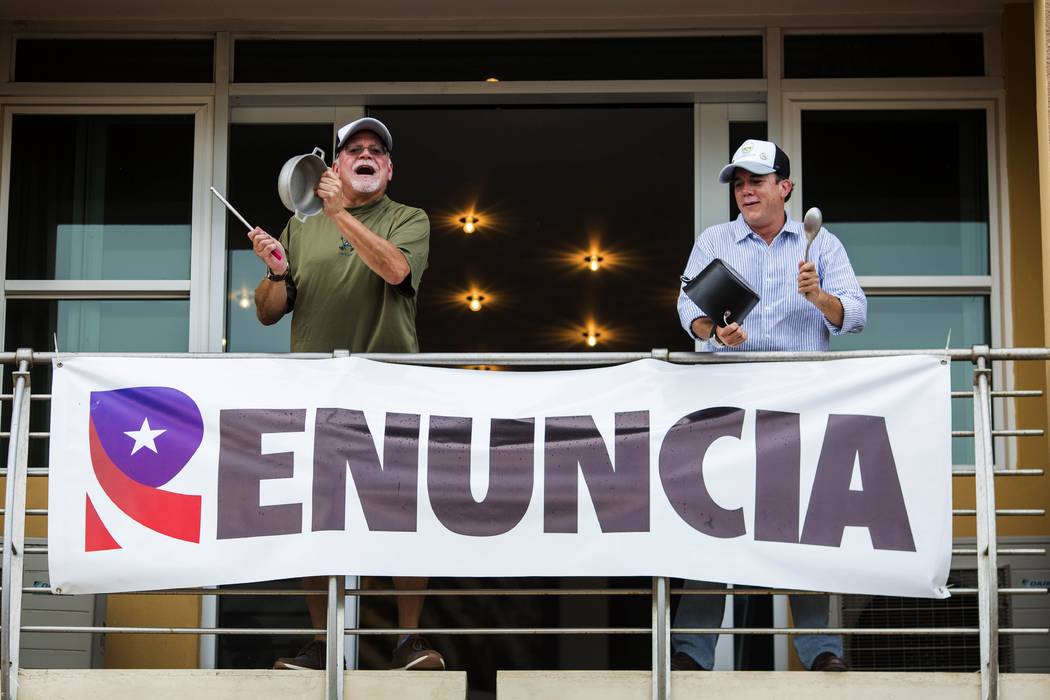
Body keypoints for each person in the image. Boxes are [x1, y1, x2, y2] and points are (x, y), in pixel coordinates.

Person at [249, 117, 442, 672]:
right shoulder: (300, 224)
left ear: (388, 169)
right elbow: (266, 312)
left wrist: (336, 213)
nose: (365, 154)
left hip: (391, 388)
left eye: (375, 151)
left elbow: (395, 269)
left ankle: (408, 640)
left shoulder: (409, 218)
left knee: (402, 512)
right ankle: (324, 640)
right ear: (334, 166)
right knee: (319, 515)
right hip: (318, 393)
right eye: (353, 149)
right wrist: (277, 273)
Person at [673, 138, 867, 673]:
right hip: (727, 406)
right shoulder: (715, 239)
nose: (745, 191)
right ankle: (691, 655)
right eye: (738, 183)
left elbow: (854, 312)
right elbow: (688, 304)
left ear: (785, 187)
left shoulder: (820, 244)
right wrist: (714, 331)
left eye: (756, 181)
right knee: (715, 522)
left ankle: (819, 651)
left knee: (804, 523)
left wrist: (817, 297)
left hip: (798, 406)